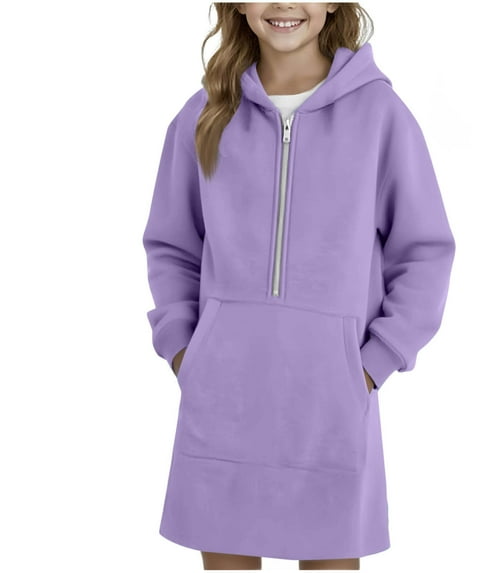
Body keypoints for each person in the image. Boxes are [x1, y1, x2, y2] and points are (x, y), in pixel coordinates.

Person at [142, 2, 456, 570]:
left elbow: (424, 251)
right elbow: (172, 245)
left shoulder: (380, 115)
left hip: (329, 404)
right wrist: (187, 352)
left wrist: (370, 364)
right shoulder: (204, 114)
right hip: (223, 402)